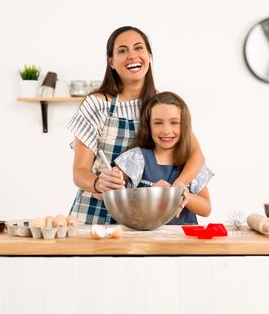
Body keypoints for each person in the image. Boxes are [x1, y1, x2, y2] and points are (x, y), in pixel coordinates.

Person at [67, 26, 205, 224]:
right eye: (122, 51)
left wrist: (178, 187)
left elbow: (196, 155)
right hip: (96, 214)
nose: (132, 56)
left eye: (138, 48)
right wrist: (98, 183)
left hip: (145, 217)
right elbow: (79, 172)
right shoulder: (97, 104)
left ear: (149, 55)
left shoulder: (160, 106)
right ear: (111, 62)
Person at [114, 91, 213, 224]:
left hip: (184, 241)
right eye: (158, 123)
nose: (166, 130)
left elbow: (206, 209)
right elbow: (112, 193)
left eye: (174, 122)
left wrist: (180, 195)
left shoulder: (190, 165)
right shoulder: (136, 157)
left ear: (184, 126)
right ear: (148, 125)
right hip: (146, 240)